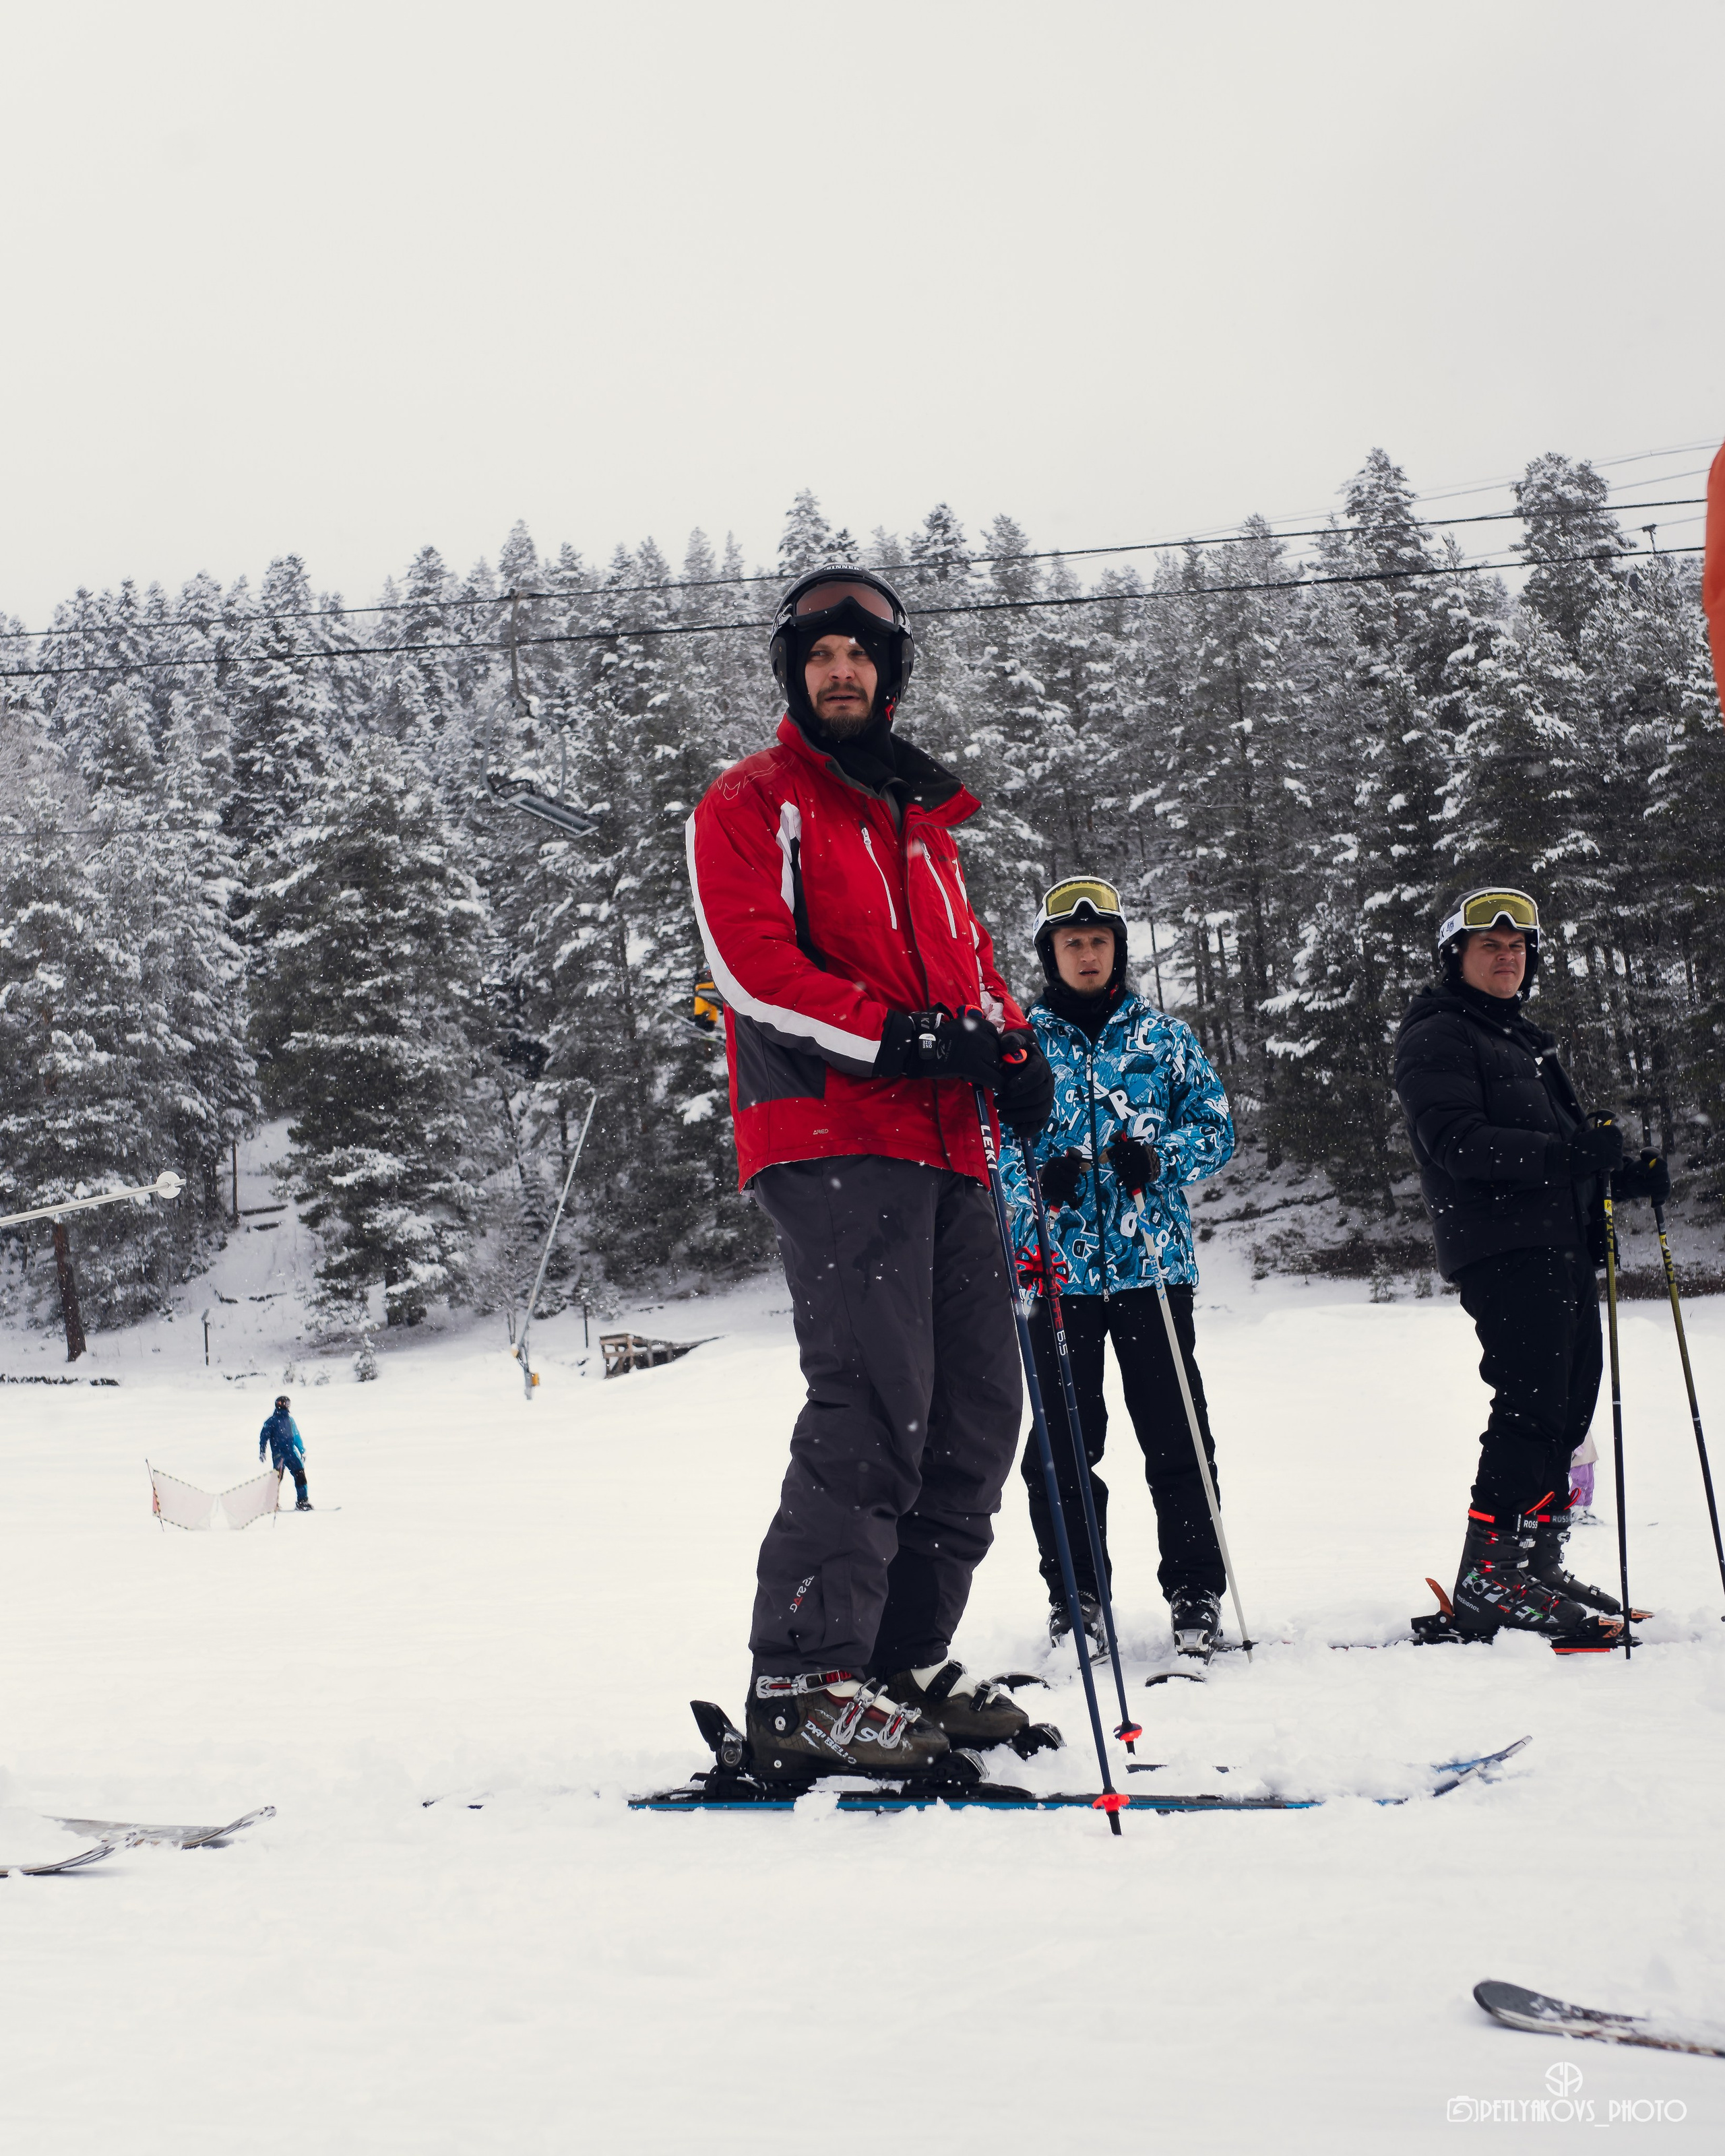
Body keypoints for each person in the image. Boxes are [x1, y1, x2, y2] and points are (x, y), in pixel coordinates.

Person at [686, 565, 1055, 1779]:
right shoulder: (751, 802)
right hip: (835, 1133)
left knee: (974, 1415)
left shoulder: (924, 829)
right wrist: (902, 1038)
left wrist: (1010, 1048)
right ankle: (802, 1676)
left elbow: (977, 974)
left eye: (862, 656)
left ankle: (892, 1665)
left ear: (889, 676)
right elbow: (756, 972)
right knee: (873, 1400)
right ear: (794, 670)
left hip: (951, 1146)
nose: (840, 671)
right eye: (821, 654)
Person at [1393, 887, 1666, 1643]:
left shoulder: (1518, 1036)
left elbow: (1558, 1151)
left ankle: (1535, 1557)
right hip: (1502, 1244)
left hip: (1559, 1240)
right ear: (1458, 957)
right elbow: (1458, 1142)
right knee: (1530, 1404)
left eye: (1517, 948)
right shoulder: (1438, 1033)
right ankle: (1491, 1572)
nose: (1506, 957)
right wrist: (1565, 1154)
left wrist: (1615, 1171)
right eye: (1490, 947)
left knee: (1569, 1405)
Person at [999, 877, 1236, 1661]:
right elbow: (980, 1144)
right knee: (1064, 1445)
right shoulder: (1018, 1046)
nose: (1088, 953)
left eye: (1099, 941)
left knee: (1177, 1437)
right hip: (1055, 1275)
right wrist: (1036, 1176)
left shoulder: (1162, 1037)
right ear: (1050, 954)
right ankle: (1078, 1598)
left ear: (1118, 949)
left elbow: (1216, 1127)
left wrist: (1159, 1155)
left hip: (1151, 1271)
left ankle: (1195, 1588)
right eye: (1072, 943)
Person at [259, 1394, 311, 1511]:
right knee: (277, 1478)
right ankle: (270, 1503)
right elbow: (264, 1437)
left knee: (300, 1475)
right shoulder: (271, 1421)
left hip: (291, 1454)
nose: (288, 1406)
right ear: (280, 1404)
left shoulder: (290, 1420)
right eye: (286, 1404)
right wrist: (262, 1450)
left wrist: (302, 1450)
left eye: (289, 1404)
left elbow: (296, 1436)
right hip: (279, 1455)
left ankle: (302, 1501)